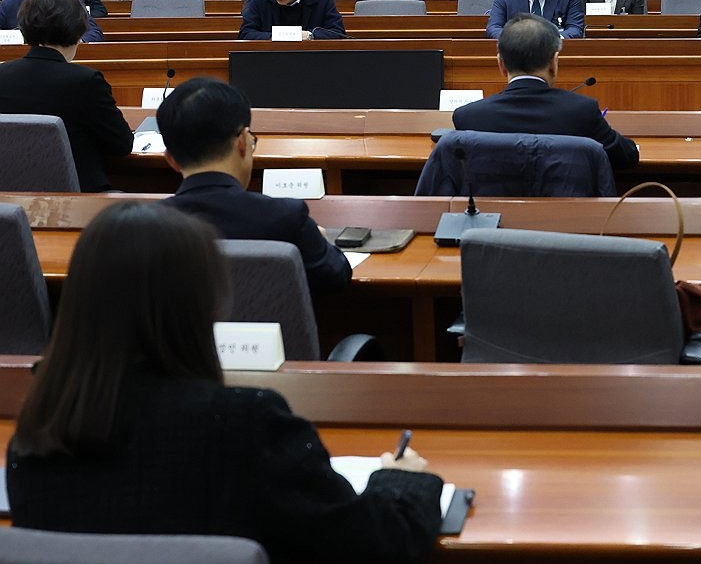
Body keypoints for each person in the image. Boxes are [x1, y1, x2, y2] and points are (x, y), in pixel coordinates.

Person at [6, 202, 442, 564]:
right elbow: (373, 542)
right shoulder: (244, 422)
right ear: (198, 306)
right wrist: (400, 481)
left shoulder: (40, 426)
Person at [157, 77, 352, 294]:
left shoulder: (147, 228)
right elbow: (337, 276)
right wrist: (319, 241)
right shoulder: (285, 217)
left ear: (171, 159)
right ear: (242, 142)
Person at [455, 14, 638, 169]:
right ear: (553, 62)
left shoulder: (468, 117)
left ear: (501, 65)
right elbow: (627, 157)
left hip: (494, 203)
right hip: (568, 201)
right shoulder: (581, 111)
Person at [0, 0, 129, 191]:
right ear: (78, 30)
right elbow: (122, 144)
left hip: (9, 193)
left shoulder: (2, 74)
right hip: (79, 196)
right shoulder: (86, 81)